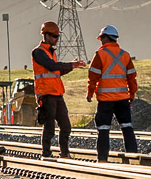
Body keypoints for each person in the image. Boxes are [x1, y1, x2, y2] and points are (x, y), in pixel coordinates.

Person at [32, 21, 87, 158]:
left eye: (57, 36)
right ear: (47, 36)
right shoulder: (38, 52)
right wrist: (71, 64)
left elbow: (56, 71)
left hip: (57, 93)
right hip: (46, 94)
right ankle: (46, 153)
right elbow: (52, 66)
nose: (57, 39)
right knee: (49, 127)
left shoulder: (51, 53)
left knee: (66, 126)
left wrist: (71, 67)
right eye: (55, 36)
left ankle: (64, 153)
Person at [86, 24, 140, 161]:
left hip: (105, 100)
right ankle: (133, 157)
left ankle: (103, 159)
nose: (101, 41)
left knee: (103, 129)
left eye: (101, 38)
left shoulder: (100, 55)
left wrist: (90, 93)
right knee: (127, 127)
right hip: (123, 99)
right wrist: (132, 94)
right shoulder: (125, 55)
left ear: (105, 38)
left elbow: (93, 77)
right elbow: (132, 78)